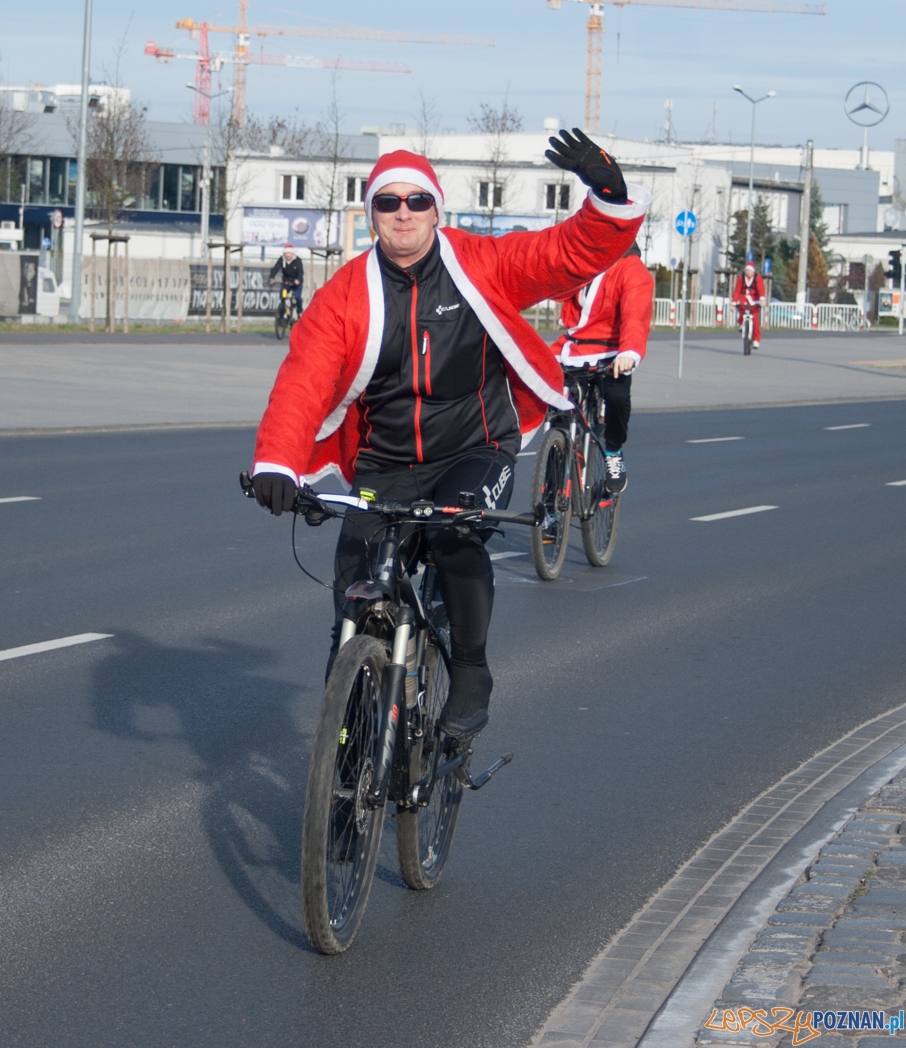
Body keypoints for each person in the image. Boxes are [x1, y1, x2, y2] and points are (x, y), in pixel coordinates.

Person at [249, 129, 649, 740]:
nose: (403, 213)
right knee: (354, 590)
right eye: (389, 202)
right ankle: (348, 752)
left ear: (438, 210)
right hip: (383, 464)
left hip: (475, 450)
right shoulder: (345, 295)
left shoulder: (481, 264)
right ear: (371, 214)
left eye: (416, 201)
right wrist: (278, 462)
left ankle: (469, 669)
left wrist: (608, 189)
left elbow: (566, 253)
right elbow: (302, 379)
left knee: (458, 536)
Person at [551, 243, 654, 492]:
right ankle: (552, 493)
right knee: (554, 407)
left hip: (611, 351)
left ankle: (613, 450)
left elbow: (635, 314)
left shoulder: (632, 269)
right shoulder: (585, 260)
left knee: (617, 396)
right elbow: (553, 281)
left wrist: (628, 352)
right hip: (573, 348)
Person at [732, 259, 766, 349]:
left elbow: (760, 289)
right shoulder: (741, 278)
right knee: (741, 309)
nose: (748, 272)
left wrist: (762, 299)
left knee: (755, 319)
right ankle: (741, 324)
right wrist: (733, 303)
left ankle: (755, 340)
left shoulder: (758, 278)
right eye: (746, 270)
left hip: (755, 299)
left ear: (753, 271)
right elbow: (737, 290)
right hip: (744, 297)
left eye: (749, 270)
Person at [269, 245, 305, 327]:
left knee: (297, 297)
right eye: (286, 254)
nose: (288, 255)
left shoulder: (297, 260)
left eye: (289, 253)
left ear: (292, 253)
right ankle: (280, 318)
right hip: (287, 282)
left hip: (296, 283)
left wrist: (298, 280)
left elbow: (300, 271)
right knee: (283, 298)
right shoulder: (282, 259)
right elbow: (275, 269)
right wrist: (272, 278)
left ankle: (300, 311)